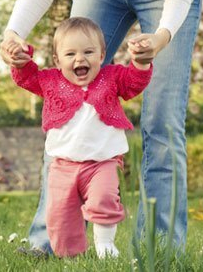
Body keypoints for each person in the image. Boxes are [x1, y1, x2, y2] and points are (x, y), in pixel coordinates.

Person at [0, 0, 202, 255]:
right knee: (65, 107)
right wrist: (13, 34)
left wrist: (161, 37)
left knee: (163, 122)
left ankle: (159, 247)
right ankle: (49, 243)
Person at [9, 17, 153, 258]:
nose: (80, 59)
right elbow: (27, 77)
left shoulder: (112, 77)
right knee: (59, 215)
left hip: (102, 162)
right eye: (70, 54)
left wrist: (140, 63)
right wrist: (21, 59)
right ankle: (71, 257)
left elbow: (133, 83)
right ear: (57, 60)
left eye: (88, 52)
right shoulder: (51, 81)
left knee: (104, 199)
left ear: (101, 55)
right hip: (63, 166)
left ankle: (105, 245)